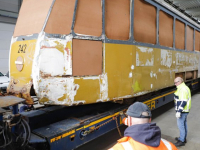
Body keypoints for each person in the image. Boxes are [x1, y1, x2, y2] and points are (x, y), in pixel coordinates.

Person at [109, 102, 177, 150]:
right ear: (150, 120)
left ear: (129, 120)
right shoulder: (169, 146)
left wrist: (122, 116)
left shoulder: (120, 147)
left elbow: (127, 121)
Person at [174, 77, 191, 147]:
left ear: (180, 81)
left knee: (181, 125)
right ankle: (183, 138)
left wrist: (179, 111)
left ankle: (181, 141)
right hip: (185, 110)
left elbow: (183, 101)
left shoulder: (183, 89)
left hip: (182, 111)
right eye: (174, 83)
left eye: (176, 82)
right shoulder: (182, 87)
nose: (175, 84)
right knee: (184, 124)